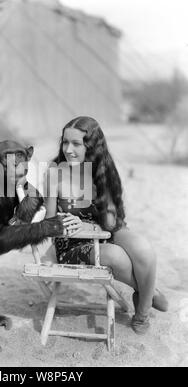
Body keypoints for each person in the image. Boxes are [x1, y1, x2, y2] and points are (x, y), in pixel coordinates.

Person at [44, 116, 168, 335]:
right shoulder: (55, 173)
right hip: (73, 239)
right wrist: (70, 224)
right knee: (116, 256)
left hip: (104, 228)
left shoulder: (102, 169)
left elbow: (110, 223)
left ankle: (142, 310)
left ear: (91, 147)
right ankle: (146, 293)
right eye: (65, 142)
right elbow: (50, 221)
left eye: (76, 144)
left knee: (144, 250)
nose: (68, 149)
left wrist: (94, 223)